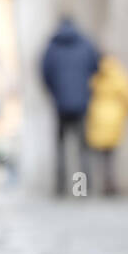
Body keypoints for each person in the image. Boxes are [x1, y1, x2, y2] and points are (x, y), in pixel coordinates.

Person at [41, 16, 100, 197]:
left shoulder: (52, 47)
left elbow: (44, 73)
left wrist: (56, 93)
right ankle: (80, 189)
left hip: (60, 104)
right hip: (82, 103)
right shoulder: (86, 44)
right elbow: (96, 67)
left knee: (61, 148)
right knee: (82, 148)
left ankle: (61, 188)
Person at [84, 54, 128, 195]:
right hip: (115, 118)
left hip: (98, 117)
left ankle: (96, 185)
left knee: (99, 156)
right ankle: (111, 184)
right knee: (111, 156)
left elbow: (87, 94)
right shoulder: (119, 76)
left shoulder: (95, 78)